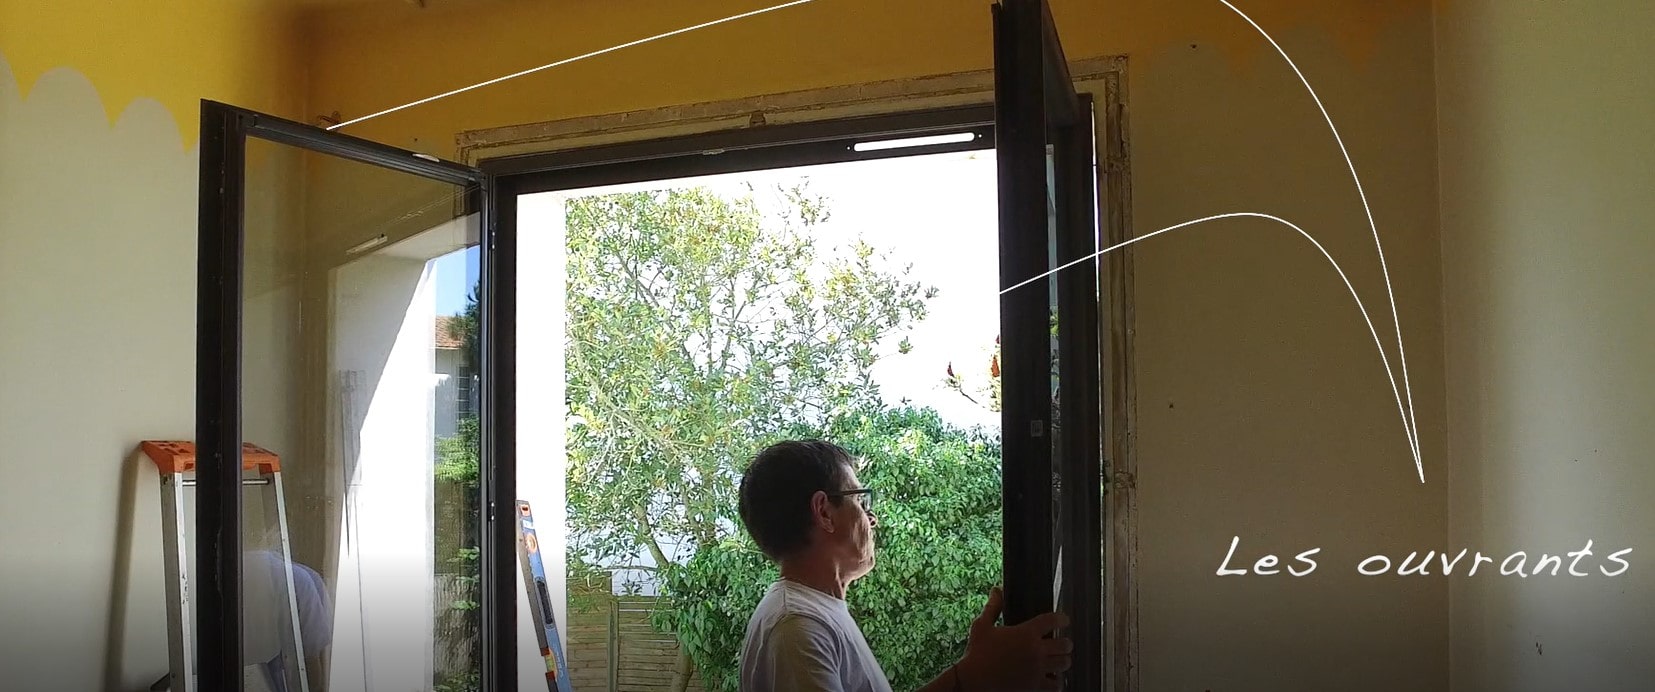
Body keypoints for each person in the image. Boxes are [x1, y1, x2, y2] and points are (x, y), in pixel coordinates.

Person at [736, 439, 1073, 692]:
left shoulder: (809, 614)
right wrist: (971, 678)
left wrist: (977, 675)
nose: (872, 519)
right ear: (824, 512)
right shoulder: (797, 628)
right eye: (860, 500)